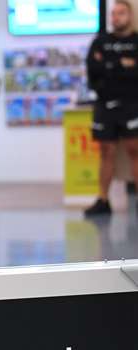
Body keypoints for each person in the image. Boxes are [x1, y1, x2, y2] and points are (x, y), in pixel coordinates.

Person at [85, 0, 138, 216]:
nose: (116, 18)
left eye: (120, 13)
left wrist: (109, 66)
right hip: (105, 105)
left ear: (130, 15)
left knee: (135, 150)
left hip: (132, 105)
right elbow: (93, 70)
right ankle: (103, 199)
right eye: (113, 14)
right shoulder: (100, 41)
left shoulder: (136, 42)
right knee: (106, 152)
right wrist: (120, 65)